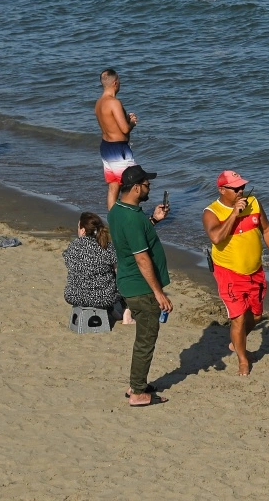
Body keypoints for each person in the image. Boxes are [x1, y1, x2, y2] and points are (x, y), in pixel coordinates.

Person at [202, 170, 269, 375]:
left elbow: (266, 229)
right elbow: (216, 238)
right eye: (236, 188)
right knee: (238, 318)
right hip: (229, 272)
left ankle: (236, 343)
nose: (241, 191)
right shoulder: (211, 212)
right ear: (222, 190)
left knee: (256, 316)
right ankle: (242, 359)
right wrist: (234, 214)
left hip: (255, 270)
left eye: (242, 187)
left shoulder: (254, 203)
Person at [108, 165, 171, 406]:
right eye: (146, 185)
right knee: (146, 340)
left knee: (142, 339)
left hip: (127, 282)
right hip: (141, 288)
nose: (149, 188)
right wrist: (159, 293)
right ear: (135, 188)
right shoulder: (133, 218)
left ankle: (138, 382)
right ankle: (137, 392)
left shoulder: (117, 211)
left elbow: (131, 237)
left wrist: (154, 220)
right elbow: (142, 258)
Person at [63, 212, 133, 324]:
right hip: (103, 297)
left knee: (93, 278)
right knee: (123, 278)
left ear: (83, 230)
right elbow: (119, 270)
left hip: (73, 295)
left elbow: (69, 263)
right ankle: (127, 315)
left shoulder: (73, 245)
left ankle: (112, 311)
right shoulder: (107, 246)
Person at [95, 68, 139, 208]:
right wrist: (131, 123)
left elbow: (111, 125)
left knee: (114, 186)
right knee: (134, 182)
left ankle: (113, 220)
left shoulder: (99, 103)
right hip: (118, 148)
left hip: (106, 147)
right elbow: (124, 129)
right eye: (119, 81)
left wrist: (125, 120)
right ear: (115, 83)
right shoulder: (114, 102)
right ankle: (128, 217)